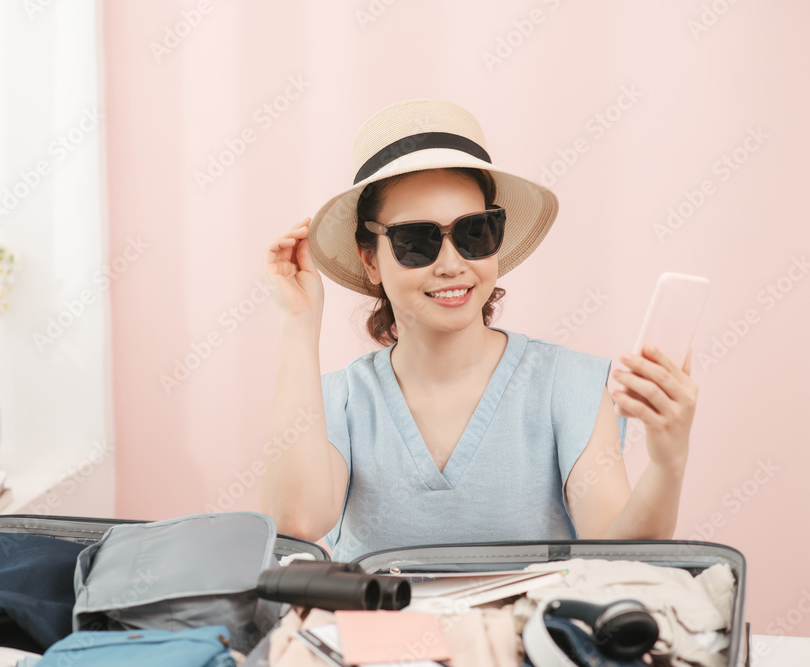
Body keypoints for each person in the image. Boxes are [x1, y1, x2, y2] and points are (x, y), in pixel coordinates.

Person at [260, 99, 697, 562]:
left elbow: (617, 554)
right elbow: (296, 524)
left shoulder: (568, 387)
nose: (452, 265)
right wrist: (298, 321)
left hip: (525, 636)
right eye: (416, 242)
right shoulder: (336, 401)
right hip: (377, 635)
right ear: (370, 259)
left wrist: (669, 463)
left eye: (475, 233)